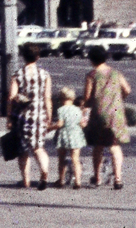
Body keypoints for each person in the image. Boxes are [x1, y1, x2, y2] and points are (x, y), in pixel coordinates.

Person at [82, 43, 131, 189]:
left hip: (99, 113)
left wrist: (84, 108)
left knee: (98, 146)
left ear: (91, 59)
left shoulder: (92, 75)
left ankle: (97, 177)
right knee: (114, 145)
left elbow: (87, 97)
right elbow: (127, 89)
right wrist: (118, 98)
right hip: (116, 113)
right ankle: (118, 178)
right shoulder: (116, 73)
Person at [8, 41, 52, 189]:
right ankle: (44, 171)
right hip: (39, 115)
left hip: (22, 116)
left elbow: (11, 97)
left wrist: (9, 117)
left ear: (23, 56)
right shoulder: (45, 75)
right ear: (38, 56)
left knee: (22, 150)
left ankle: (26, 180)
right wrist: (49, 115)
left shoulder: (18, 75)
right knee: (38, 147)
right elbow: (47, 98)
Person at [51, 85, 86, 188]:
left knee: (61, 159)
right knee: (75, 159)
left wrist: (50, 127)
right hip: (76, 135)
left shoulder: (61, 110)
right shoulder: (78, 110)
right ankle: (78, 181)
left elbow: (59, 124)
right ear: (73, 98)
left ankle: (61, 180)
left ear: (61, 98)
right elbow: (82, 124)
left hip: (64, 136)